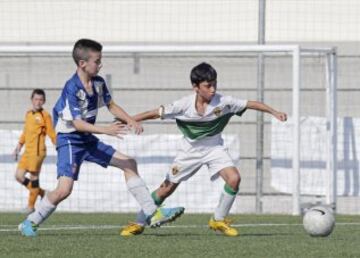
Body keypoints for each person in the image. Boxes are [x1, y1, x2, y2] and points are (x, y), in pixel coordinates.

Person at [19, 39, 184, 237]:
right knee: (64, 190)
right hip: (70, 140)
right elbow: (77, 123)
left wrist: (131, 120)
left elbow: (111, 105)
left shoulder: (98, 83)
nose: (100, 64)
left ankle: (153, 213)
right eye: (97, 61)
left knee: (129, 163)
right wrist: (106, 130)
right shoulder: (72, 87)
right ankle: (31, 222)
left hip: (87, 138)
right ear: (82, 64)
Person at [121, 62, 287, 237]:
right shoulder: (183, 105)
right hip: (189, 151)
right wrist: (129, 120)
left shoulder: (224, 102)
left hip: (214, 148)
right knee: (166, 189)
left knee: (234, 178)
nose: (213, 89)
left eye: (215, 84)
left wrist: (274, 112)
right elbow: (155, 113)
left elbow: (252, 103)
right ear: (195, 87)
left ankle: (218, 219)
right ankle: (138, 223)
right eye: (208, 86)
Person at [14, 89, 56, 214]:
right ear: (32, 100)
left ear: (44, 101)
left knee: (33, 178)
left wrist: (58, 145)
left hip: (37, 153)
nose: (38, 102)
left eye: (41, 100)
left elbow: (51, 133)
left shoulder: (45, 115)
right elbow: (25, 132)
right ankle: (41, 192)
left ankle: (31, 206)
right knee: (19, 176)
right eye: (36, 99)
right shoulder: (28, 114)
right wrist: (19, 146)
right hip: (27, 152)